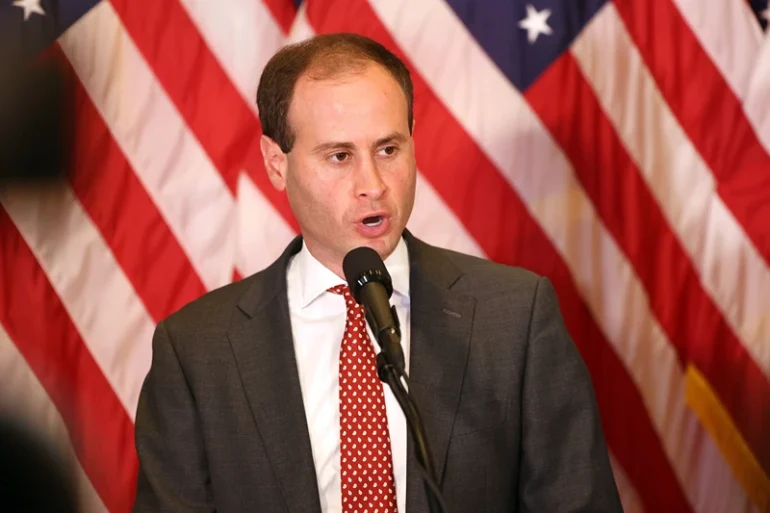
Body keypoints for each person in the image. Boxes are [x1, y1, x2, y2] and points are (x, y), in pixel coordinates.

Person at [131, 32, 623, 513]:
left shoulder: (515, 318)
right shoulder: (196, 351)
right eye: (339, 156)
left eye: (389, 149)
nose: (372, 184)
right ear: (276, 164)